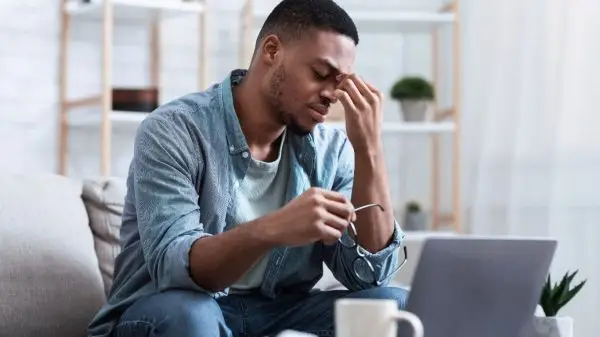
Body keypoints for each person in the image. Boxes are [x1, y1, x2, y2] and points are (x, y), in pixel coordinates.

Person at [87, 0, 409, 336]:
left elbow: (369, 275)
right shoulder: (174, 130)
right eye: (320, 74)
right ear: (272, 51)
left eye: (339, 82)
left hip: (280, 312)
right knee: (190, 315)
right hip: (176, 308)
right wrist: (273, 229)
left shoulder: (332, 150)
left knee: (397, 306)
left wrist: (369, 148)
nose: (331, 95)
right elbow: (174, 268)